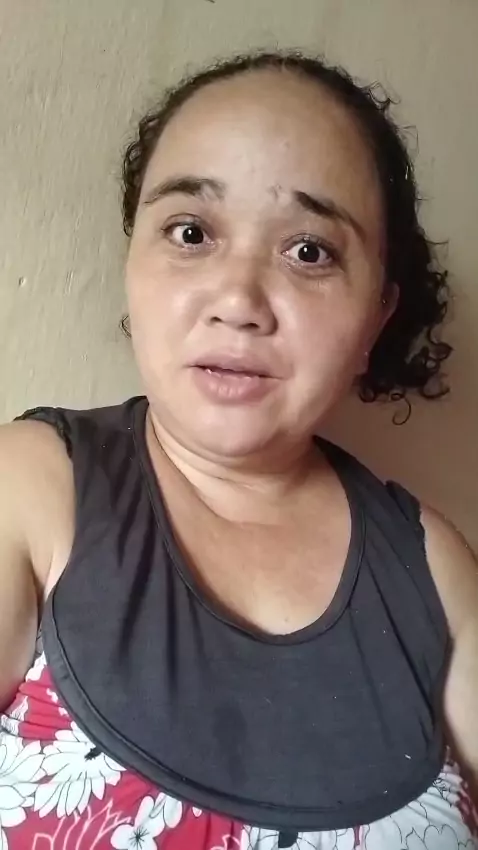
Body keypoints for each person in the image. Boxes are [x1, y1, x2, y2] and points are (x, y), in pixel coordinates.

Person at [0, 51, 476, 850]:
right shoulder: (28, 489)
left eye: (310, 251)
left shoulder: (436, 570)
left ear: (378, 316)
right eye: (191, 232)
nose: (239, 300)